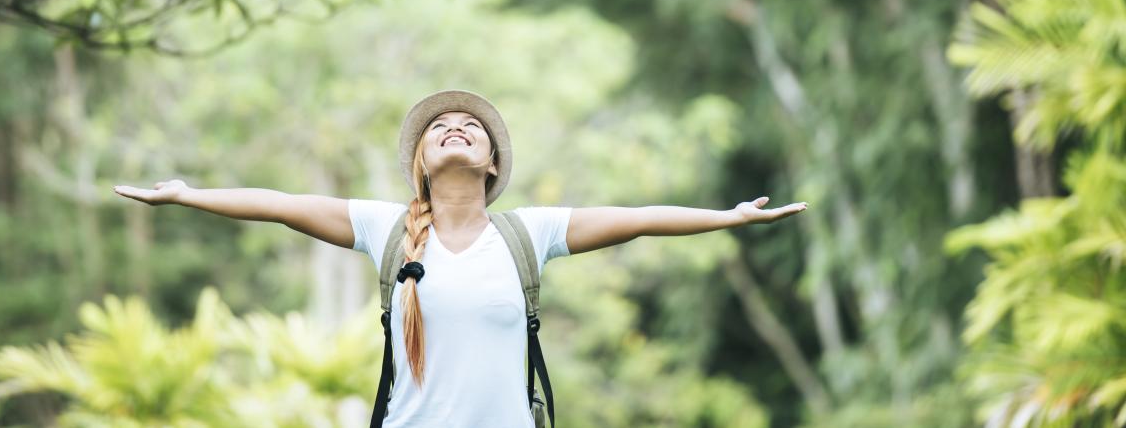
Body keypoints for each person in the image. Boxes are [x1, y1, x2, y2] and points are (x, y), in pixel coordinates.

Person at [113, 89, 808, 428]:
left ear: (491, 162)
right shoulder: (383, 227)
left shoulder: (525, 235)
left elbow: (634, 220)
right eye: (440, 128)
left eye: (469, 127)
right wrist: (189, 194)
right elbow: (279, 202)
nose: (455, 129)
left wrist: (727, 217)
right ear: (422, 160)